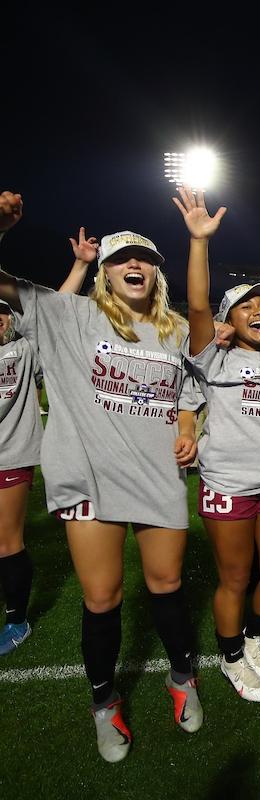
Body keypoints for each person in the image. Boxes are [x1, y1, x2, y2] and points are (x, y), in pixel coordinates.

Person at [0, 213, 202, 762]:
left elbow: (190, 394)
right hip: (87, 475)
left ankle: (182, 678)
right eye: (120, 259)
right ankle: (104, 703)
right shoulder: (68, 314)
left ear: (156, 274)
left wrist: (187, 430)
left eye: (145, 259)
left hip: (157, 476)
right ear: (104, 274)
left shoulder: (176, 330)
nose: (133, 265)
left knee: (167, 584)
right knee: (103, 597)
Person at [175, 188, 260, 701]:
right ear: (228, 318)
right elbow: (200, 302)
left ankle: (251, 639)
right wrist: (199, 240)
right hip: (228, 485)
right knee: (235, 578)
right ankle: (231, 657)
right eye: (247, 305)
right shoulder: (215, 356)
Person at [0, 192, 44, 656]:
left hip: (11, 456)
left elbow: (53, 311)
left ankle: (16, 619)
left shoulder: (24, 350)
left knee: (6, 539)